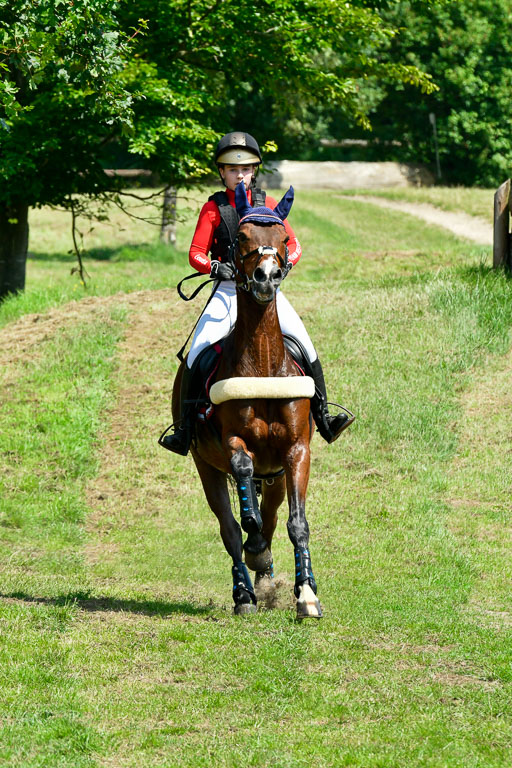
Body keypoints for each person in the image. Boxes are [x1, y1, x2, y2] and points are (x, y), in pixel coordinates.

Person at [161, 131, 353, 456]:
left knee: (305, 344)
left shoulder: (270, 206)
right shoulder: (212, 208)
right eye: (233, 169)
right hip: (227, 292)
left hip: (266, 293)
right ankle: (184, 430)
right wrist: (213, 268)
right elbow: (196, 252)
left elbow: (294, 245)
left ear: (255, 171)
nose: (240, 175)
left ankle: (323, 417)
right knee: (196, 352)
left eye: (247, 169)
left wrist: (285, 265)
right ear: (221, 172)